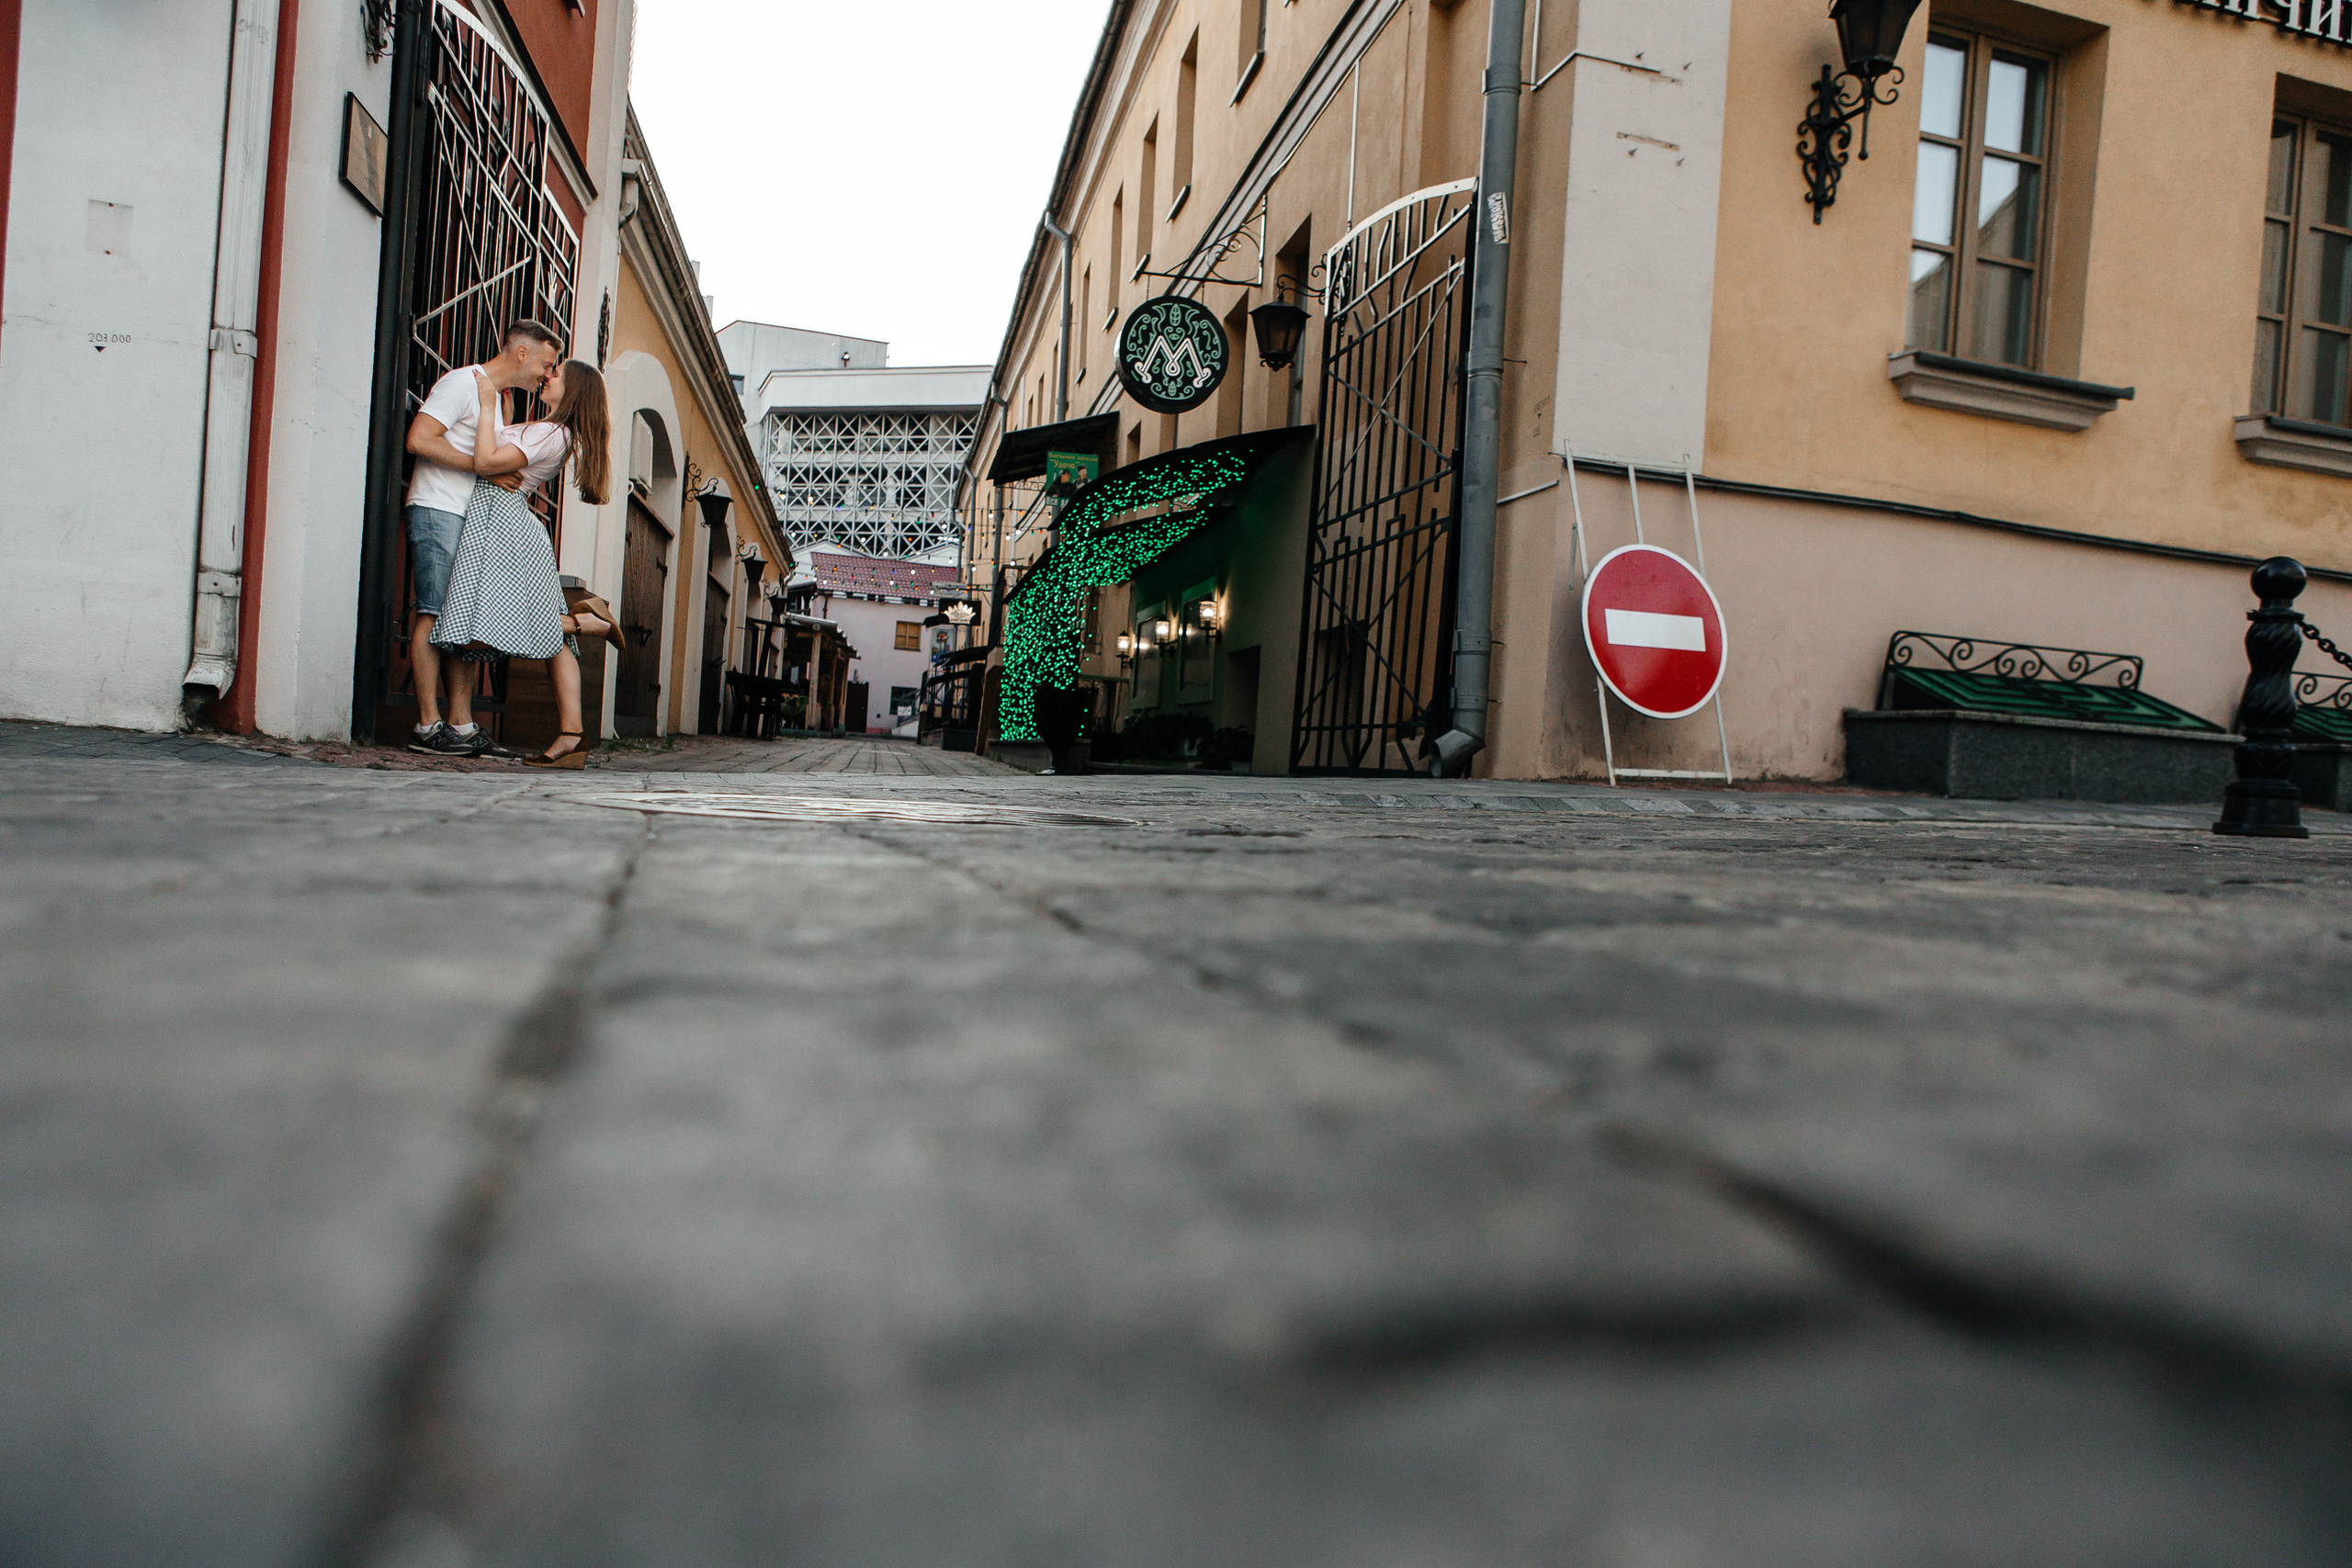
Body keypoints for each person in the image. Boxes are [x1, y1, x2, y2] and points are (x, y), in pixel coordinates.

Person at [429, 355, 615, 768]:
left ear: (573, 390)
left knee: (484, 616)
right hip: (510, 520)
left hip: (503, 521)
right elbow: (493, 458)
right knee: (518, 629)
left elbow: (485, 463)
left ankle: (583, 623)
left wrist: (489, 405)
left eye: (557, 373)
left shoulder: (548, 432)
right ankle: (571, 734)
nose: (548, 376)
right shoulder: (552, 432)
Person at [401, 320, 562, 756]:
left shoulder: (501, 401)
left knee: (461, 621)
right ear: (522, 353)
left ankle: (463, 727)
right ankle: (428, 726)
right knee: (433, 613)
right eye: (547, 364)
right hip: (438, 508)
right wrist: (479, 467)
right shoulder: (462, 383)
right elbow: (419, 439)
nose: (548, 376)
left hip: (467, 517)